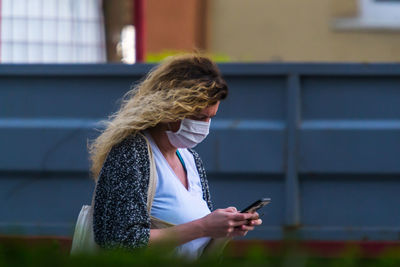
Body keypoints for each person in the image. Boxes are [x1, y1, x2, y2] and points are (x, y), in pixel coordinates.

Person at [89, 54, 262, 259]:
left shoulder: (190, 158)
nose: (205, 126)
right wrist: (204, 226)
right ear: (170, 109)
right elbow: (120, 242)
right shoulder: (132, 154)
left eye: (210, 118)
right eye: (199, 117)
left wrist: (224, 229)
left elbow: (195, 245)